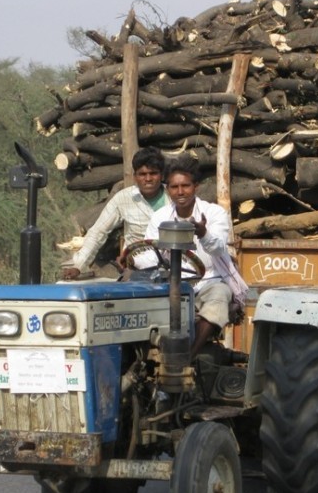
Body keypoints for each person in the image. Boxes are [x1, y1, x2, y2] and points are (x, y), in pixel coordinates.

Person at [144, 154, 248, 357]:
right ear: (167, 189)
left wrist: (203, 233)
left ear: (196, 186)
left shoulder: (214, 213)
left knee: (219, 295)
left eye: (186, 186)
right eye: (174, 187)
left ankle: (189, 356)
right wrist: (141, 257)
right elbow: (147, 252)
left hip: (208, 281)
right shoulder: (159, 218)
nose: (180, 192)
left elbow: (218, 248)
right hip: (172, 284)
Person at [62, 147, 168, 279]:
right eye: (142, 174)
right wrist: (78, 265)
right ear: (135, 177)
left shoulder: (174, 198)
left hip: (172, 266)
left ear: (162, 175)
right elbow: (98, 231)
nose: (148, 179)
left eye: (153, 173)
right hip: (137, 268)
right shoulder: (123, 198)